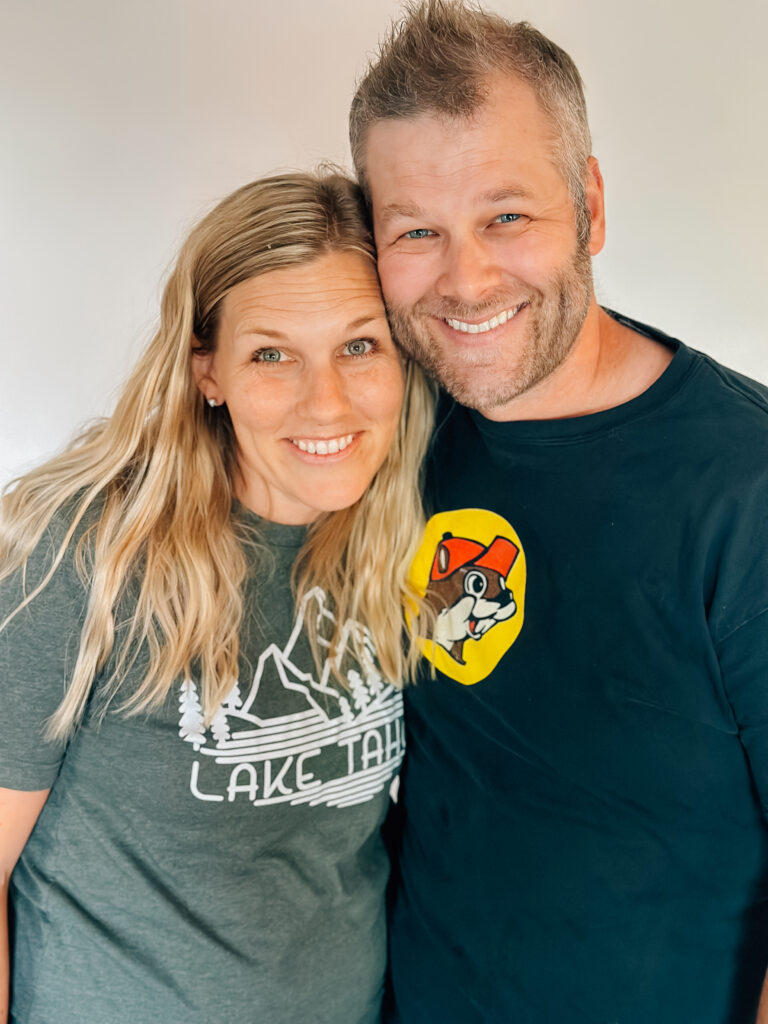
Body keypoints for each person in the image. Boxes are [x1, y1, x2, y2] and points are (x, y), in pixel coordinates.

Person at [349, 2, 768, 1022]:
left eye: (506, 216)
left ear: (590, 205)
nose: (466, 278)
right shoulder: (391, 436)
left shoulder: (744, 484)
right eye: (418, 230)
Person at [0, 170, 434, 1024]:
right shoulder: (83, 554)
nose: (328, 401)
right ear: (208, 370)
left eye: (360, 345)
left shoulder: (405, 540)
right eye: (272, 353)